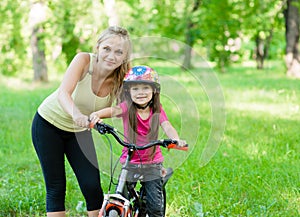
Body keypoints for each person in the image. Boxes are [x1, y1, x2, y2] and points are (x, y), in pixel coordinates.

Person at [31, 26, 132, 217]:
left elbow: (123, 108)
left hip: (79, 131)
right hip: (48, 124)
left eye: (119, 52)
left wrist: (100, 114)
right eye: (107, 49)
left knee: (92, 185)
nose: (112, 56)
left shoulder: (123, 77)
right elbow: (63, 92)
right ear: (98, 47)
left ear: (125, 56)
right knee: (56, 186)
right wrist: (77, 115)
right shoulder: (84, 60)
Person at [89, 65, 186, 217]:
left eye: (145, 88)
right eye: (135, 89)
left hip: (152, 162)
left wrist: (176, 139)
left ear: (154, 90)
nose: (140, 93)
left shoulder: (157, 110)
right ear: (128, 91)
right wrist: (96, 115)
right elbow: (113, 111)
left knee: (155, 208)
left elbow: (167, 125)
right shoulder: (127, 107)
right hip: (130, 161)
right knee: (120, 198)